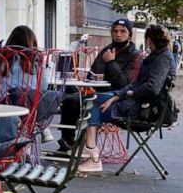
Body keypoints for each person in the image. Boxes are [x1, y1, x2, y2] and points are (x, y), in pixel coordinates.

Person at [80, 24, 176, 173]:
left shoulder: (163, 58)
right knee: (92, 100)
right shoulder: (155, 56)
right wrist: (116, 96)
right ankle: (91, 151)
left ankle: (92, 154)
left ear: (150, 40)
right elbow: (135, 83)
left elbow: (152, 88)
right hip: (139, 102)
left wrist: (129, 94)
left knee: (91, 105)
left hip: (147, 108)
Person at [56, 18, 141, 151]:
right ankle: (68, 140)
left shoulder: (135, 55)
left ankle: (85, 145)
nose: (118, 34)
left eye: (123, 31)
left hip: (116, 97)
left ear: (129, 34)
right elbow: (93, 74)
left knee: (81, 102)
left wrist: (111, 63)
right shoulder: (106, 51)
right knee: (69, 100)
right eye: (115, 31)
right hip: (96, 91)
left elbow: (125, 84)